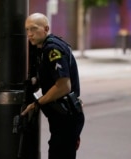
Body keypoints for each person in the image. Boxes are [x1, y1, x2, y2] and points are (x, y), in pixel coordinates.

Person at [21, 13, 85, 159]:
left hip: (65, 117)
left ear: (46, 29)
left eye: (33, 29)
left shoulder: (52, 49)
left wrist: (37, 103)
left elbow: (64, 86)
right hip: (66, 116)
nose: (29, 34)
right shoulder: (44, 47)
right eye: (27, 30)